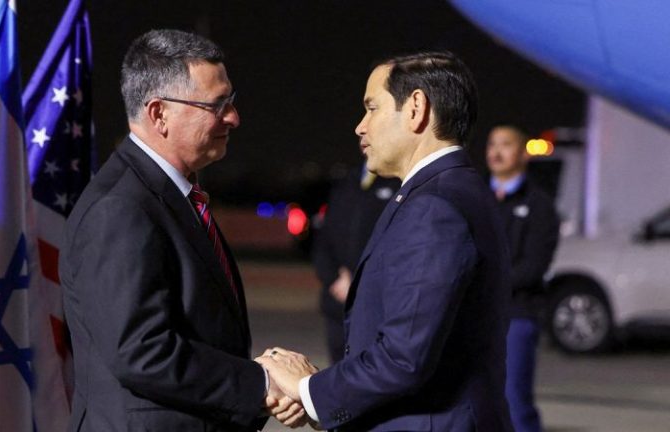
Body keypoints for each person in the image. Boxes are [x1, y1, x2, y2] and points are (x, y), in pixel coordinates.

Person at [60, 29, 303, 431]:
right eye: (217, 105)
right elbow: (142, 351)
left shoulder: (168, 195)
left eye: (231, 100)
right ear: (159, 114)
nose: (233, 117)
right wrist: (260, 383)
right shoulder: (120, 208)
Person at [257, 52, 514, 431]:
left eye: (372, 108)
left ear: (416, 109)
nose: (360, 127)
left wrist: (307, 389)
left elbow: (403, 357)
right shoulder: (455, 189)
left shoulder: (433, 207)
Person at [486, 124, 560, 432]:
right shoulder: (475, 198)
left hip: (516, 315)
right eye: (492, 144)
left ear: (522, 153)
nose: (496, 152)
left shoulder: (538, 205)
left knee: (513, 401)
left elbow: (534, 266)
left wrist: (484, 285)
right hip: (473, 315)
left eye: (505, 144)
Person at [312, 160, 400, 364]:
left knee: (369, 369)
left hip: (375, 305)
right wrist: (333, 278)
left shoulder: (400, 182)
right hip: (338, 302)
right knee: (337, 368)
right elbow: (323, 241)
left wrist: (360, 285)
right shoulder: (345, 182)